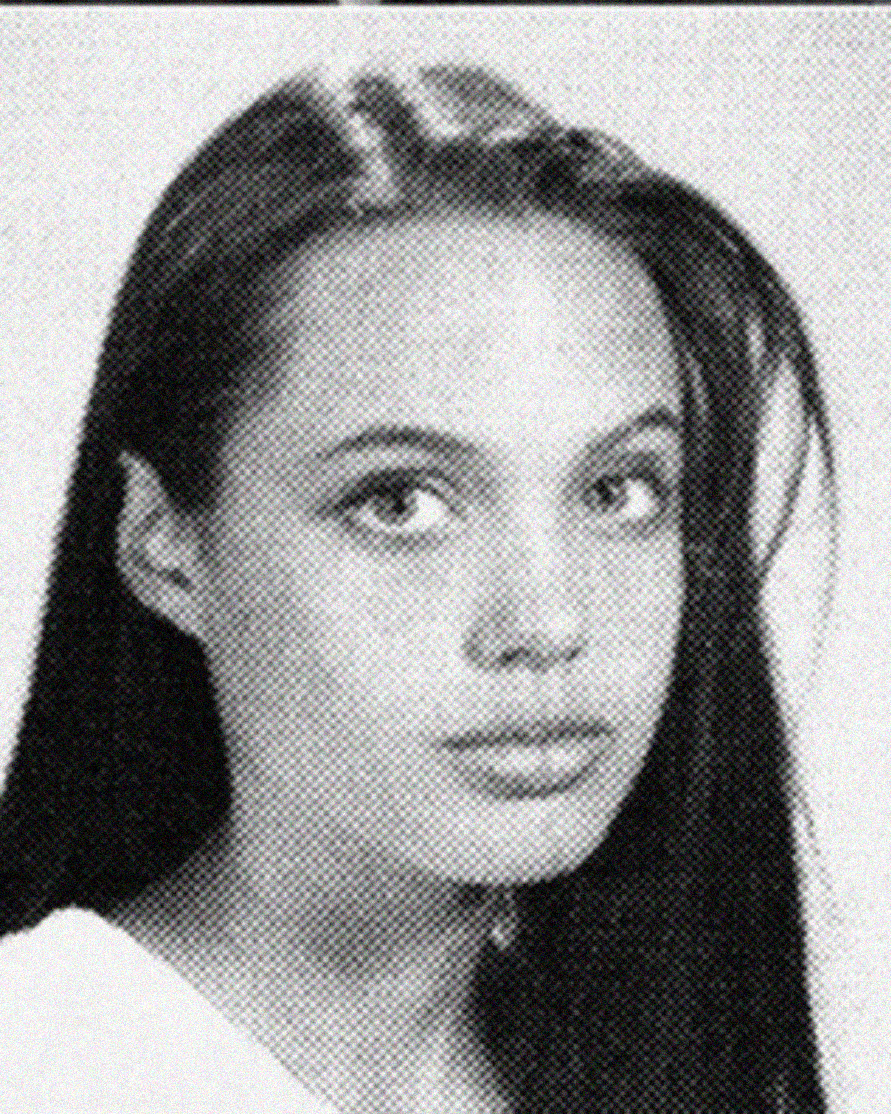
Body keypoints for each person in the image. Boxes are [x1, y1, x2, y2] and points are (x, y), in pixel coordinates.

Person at [0, 63, 831, 1113]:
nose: (548, 623)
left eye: (617, 489)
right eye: (400, 502)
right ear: (167, 546)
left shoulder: (664, 1072)